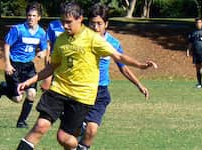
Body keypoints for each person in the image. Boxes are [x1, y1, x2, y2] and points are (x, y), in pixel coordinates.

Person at [16, 2, 157, 150]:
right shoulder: (61, 39)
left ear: (80, 19)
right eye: (63, 22)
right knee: (40, 126)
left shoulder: (94, 39)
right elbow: (52, 66)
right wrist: (31, 80)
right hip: (59, 90)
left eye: (69, 22)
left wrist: (141, 66)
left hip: (83, 96)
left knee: (65, 137)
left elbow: (118, 57)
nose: (64, 26)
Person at [75, 3, 150, 149]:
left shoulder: (113, 43)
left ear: (106, 24)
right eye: (92, 23)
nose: (95, 27)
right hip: (80, 90)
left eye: (99, 23)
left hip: (100, 92)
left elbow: (123, 67)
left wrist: (139, 85)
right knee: (72, 133)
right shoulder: (79, 39)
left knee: (91, 130)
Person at [0, 2, 48, 128]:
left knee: (32, 94)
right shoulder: (18, 30)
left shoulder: (41, 33)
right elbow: (7, 45)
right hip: (14, 66)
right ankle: (4, 88)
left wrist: (42, 53)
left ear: (39, 17)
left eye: (34, 16)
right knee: (17, 99)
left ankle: (21, 122)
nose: (31, 18)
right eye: (29, 15)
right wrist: (7, 64)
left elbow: (45, 49)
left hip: (28, 67)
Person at [40, 19, 64, 91]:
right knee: (45, 86)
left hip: (67, 59)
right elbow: (48, 43)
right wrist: (47, 58)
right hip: (54, 58)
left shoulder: (75, 25)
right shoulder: (53, 25)